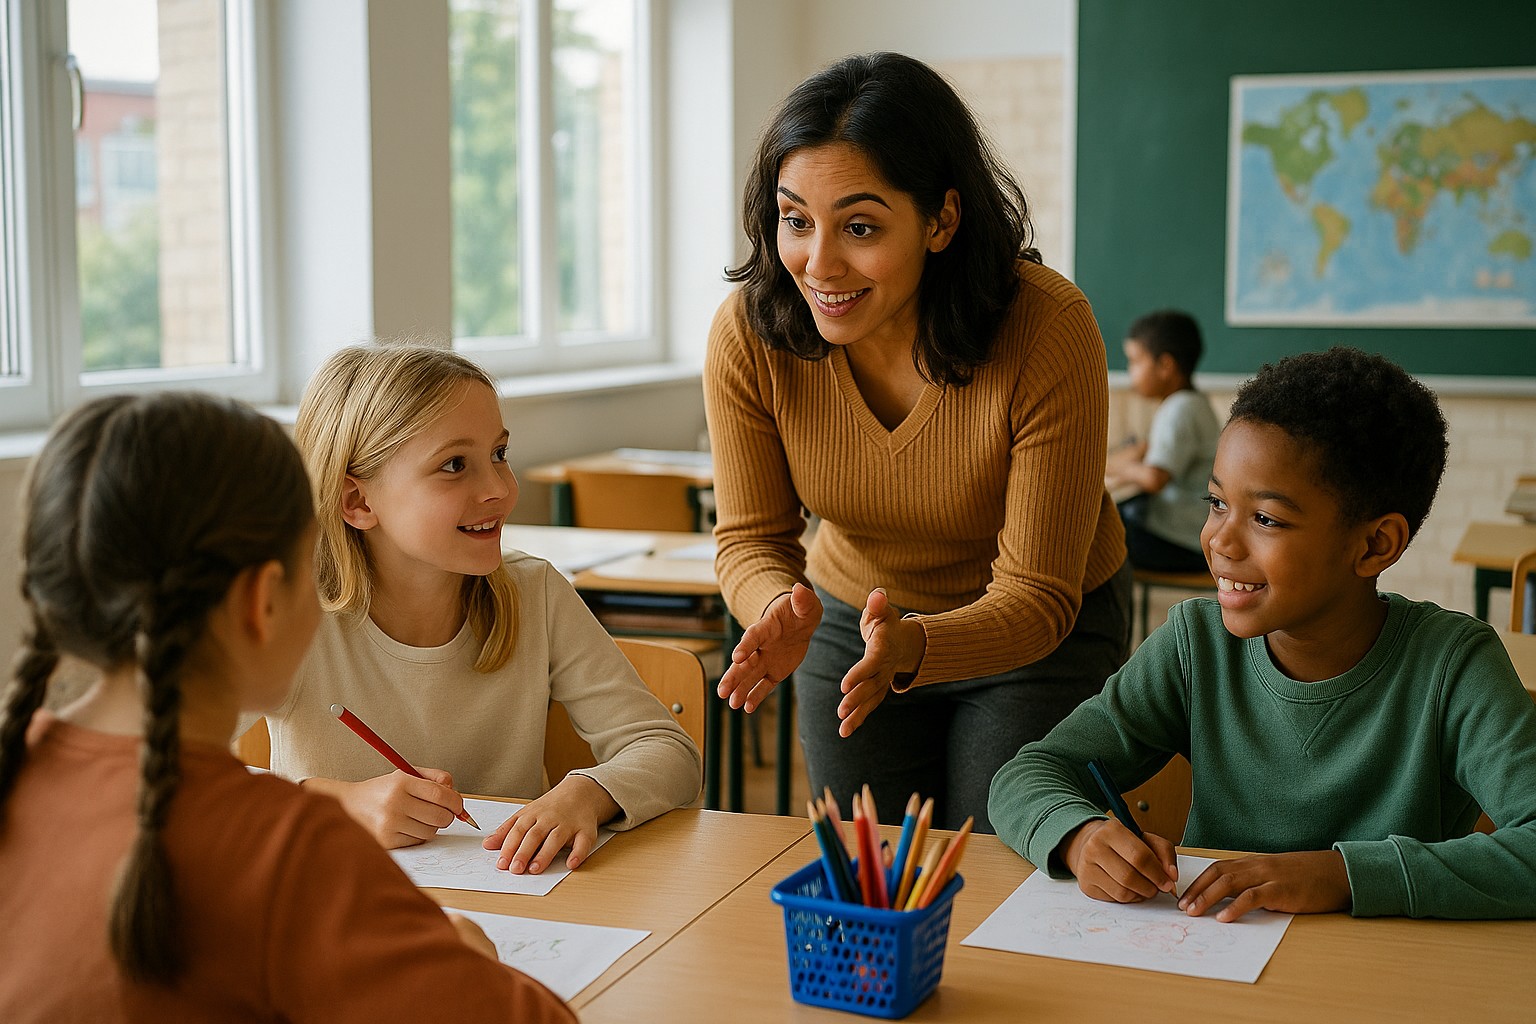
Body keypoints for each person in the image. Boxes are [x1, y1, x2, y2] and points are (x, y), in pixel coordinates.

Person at [0, 392, 574, 1022]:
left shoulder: (17, 778)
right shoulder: (292, 851)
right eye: (312, 565)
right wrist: (466, 959)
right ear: (263, 602)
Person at [705, 52, 1130, 832]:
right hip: (850, 618)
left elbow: (1037, 597)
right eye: (796, 220)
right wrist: (777, 607)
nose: (819, 264)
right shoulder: (751, 332)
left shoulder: (1046, 327)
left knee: (1002, 863)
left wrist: (915, 646)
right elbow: (750, 539)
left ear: (941, 221)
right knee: (868, 866)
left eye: (860, 227)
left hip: (1039, 636)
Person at [989, 347, 1536, 921]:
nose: (1220, 541)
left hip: (1381, 968)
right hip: (1212, 952)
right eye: (1217, 503)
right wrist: (1078, 837)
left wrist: (1341, 875)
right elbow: (1026, 775)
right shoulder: (1195, 647)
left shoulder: (1453, 666)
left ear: (1375, 545)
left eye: (1266, 519)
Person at [267, 343, 700, 875]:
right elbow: (179, 775)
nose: (500, 488)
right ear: (357, 502)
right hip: (329, 899)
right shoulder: (287, 613)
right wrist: (333, 803)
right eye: (454, 465)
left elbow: (668, 750)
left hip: (513, 907)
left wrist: (589, 792)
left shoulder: (535, 593)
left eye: (499, 453)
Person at [1104, 310, 1219, 573]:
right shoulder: (1193, 402)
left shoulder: (1179, 409)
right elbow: (1145, 450)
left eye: (1135, 361)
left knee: (1097, 533)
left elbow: (1155, 478)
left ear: (1166, 366)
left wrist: (1105, 464)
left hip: (1180, 541)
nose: (1130, 371)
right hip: (1191, 536)